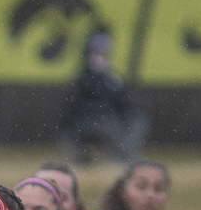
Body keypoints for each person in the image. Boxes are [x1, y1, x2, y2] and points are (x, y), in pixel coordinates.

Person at [57, 32, 148, 165]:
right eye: (96, 53)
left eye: (104, 54)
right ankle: (81, 154)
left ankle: (123, 154)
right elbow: (70, 112)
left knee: (138, 120)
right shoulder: (81, 80)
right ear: (87, 54)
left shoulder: (113, 80)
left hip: (111, 123)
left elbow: (126, 106)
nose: (100, 58)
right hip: (86, 125)